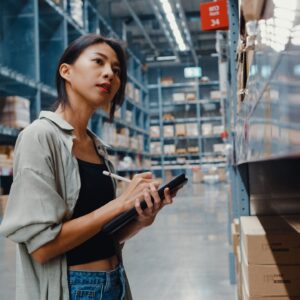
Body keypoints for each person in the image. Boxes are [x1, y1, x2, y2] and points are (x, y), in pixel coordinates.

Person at [0, 34, 174, 300]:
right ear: (66, 71)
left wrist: (140, 219)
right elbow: (43, 248)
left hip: (116, 283)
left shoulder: (97, 147)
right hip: (76, 288)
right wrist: (120, 203)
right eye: (98, 62)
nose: (110, 75)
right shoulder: (40, 136)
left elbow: (104, 235)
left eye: (116, 71)